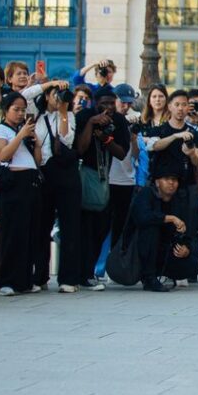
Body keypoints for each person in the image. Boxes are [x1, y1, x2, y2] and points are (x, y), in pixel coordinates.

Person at [143, 90, 198, 285]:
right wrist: (176, 137)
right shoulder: (161, 130)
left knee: (186, 228)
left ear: (188, 107)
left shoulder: (193, 132)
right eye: (176, 104)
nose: (180, 109)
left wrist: (191, 152)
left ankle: (184, 270)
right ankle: (161, 269)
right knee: (162, 228)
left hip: (184, 188)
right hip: (161, 191)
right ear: (169, 106)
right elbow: (153, 146)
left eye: (184, 105)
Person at [75, 89, 130, 289]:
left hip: (107, 181)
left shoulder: (120, 121)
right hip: (84, 177)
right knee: (83, 229)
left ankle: (89, 272)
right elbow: (80, 148)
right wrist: (91, 124)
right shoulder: (84, 116)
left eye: (111, 103)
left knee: (100, 229)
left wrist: (107, 139)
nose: (107, 108)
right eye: (103, 103)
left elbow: (122, 153)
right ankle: (80, 273)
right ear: (95, 102)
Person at [0, 92, 43, 295]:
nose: (20, 114)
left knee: (28, 233)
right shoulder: (0, 129)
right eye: (16, 109)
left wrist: (35, 141)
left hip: (30, 182)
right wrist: (20, 136)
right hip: (12, 184)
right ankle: (5, 281)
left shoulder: (23, 130)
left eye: (23, 110)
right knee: (11, 234)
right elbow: (2, 154)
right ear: (5, 109)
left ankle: (24, 280)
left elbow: (37, 160)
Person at [34, 83, 84, 292]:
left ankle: (68, 279)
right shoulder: (35, 115)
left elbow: (67, 138)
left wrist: (63, 110)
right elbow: (26, 95)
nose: (58, 97)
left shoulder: (69, 116)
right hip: (44, 172)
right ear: (45, 95)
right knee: (41, 226)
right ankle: (40, 277)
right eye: (54, 94)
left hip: (67, 173)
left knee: (70, 225)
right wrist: (48, 84)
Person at [127, 171, 198, 292]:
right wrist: (169, 218)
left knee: (192, 264)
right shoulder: (146, 193)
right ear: (157, 182)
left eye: (174, 179)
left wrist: (186, 248)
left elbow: (187, 231)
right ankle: (148, 277)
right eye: (166, 179)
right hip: (138, 250)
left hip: (163, 250)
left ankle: (164, 275)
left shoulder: (178, 201)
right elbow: (142, 218)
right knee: (151, 228)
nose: (171, 183)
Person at [108, 84, 139, 247]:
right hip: (109, 179)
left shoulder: (130, 123)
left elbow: (135, 155)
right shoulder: (107, 119)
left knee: (120, 226)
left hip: (126, 180)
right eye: (123, 102)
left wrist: (133, 138)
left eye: (129, 103)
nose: (126, 107)